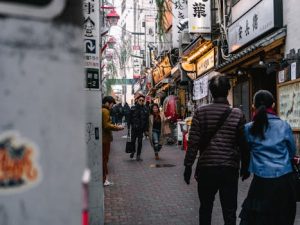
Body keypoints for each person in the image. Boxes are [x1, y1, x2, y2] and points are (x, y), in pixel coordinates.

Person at [183, 74, 250, 225]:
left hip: (206, 168)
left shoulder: (200, 112)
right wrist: (246, 167)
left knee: (205, 208)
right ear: (228, 90)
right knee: (229, 210)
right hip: (229, 169)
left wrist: (188, 166)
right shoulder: (237, 114)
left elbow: (193, 143)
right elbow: (243, 143)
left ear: (211, 92)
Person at [239, 90, 297, 225]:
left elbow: (245, 151)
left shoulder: (249, 128)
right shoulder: (284, 126)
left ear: (253, 106)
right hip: (284, 180)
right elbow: (292, 151)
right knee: (282, 218)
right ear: (274, 105)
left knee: (259, 219)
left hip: (261, 182)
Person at [102, 96, 124, 186]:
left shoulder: (103, 110)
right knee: (104, 159)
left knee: (104, 158)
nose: (112, 106)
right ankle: (104, 179)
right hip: (105, 139)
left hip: (104, 138)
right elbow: (107, 125)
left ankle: (104, 178)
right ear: (107, 103)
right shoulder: (105, 111)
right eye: (112, 104)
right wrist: (118, 128)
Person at [127, 93, 149, 161]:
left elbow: (146, 121)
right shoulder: (133, 108)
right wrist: (128, 127)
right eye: (140, 100)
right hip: (134, 128)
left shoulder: (145, 109)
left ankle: (138, 155)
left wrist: (146, 130)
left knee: (140, 142)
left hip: (141, 129)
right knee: (133, 141)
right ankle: (133, 151)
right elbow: (129, 118)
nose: (141, 101)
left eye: (143, 100)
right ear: (137, 100)